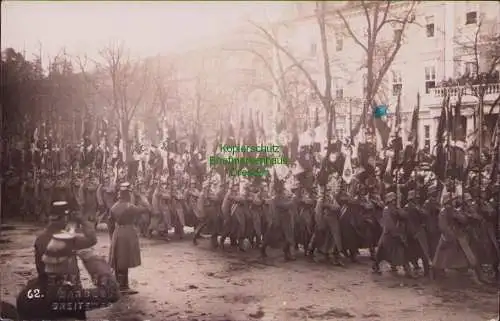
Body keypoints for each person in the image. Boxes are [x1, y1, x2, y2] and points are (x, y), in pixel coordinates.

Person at [34, 201, 97, 281]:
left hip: (46, 282)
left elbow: (39, 266)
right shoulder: (67, 238)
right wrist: (82, 221)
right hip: (67, 284)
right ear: (64, 218)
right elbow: (92, 240)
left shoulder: (40, 238)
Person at [108, 182, 142, 294]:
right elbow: (147, 209)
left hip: (117, 232)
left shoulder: (113, 207)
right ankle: (123, 287)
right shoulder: (130, 207)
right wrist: (141, 196)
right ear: (128, 195)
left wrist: (112, 236)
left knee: (118, 259)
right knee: (125, 258)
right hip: (127, 232)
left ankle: (119, 284)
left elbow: (110, 224)